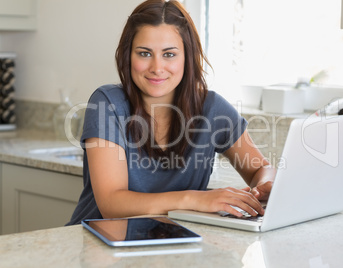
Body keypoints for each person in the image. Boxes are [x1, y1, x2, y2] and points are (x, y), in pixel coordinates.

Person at [66, 0, 276, 225]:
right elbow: (112, 205)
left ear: (187, 56)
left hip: (176, 245)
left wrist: (262, 189)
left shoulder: (212, 108)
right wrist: (196, 199)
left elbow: (262, 169)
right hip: (100, 248)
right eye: (145, 53)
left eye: (169, 54)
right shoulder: (107, 104)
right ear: (128, 56)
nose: (157, 67)